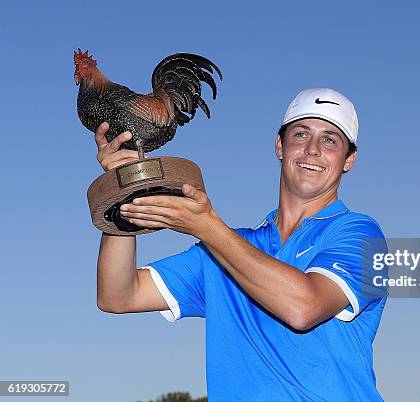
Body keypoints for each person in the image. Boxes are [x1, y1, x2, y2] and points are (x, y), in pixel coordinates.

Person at [95, 88, 388, 401]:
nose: (313, 149)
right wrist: (123, 190)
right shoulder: (223, 249)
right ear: (280, 146)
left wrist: (207, 226)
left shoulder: (361, 234)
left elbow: (304, 308)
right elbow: (118, 296)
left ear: (349, 159)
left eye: (330, 139)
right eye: (301, 134)